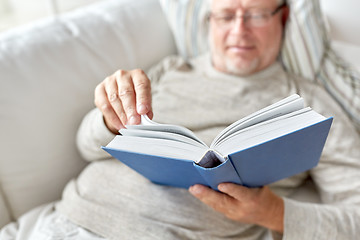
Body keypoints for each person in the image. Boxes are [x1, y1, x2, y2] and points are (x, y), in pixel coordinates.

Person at [1, 0, 359, 239]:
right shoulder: (173, 69)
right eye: (226, 15)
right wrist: (108, 121)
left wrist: (273, 213)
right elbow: (86, 147)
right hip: (57, 224)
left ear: (282, 17)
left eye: (255, 14)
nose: (238, 31)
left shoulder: (310, 105)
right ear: (209, 21)